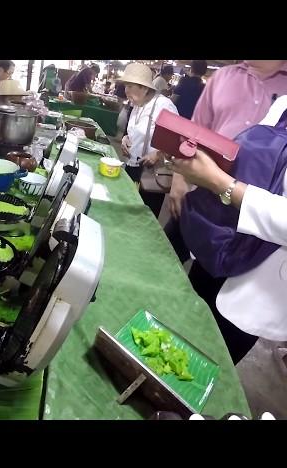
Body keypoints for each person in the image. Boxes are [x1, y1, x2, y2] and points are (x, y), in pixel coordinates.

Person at [169, 97, 287, 364]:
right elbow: (254, 166)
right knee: (173, 332)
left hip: (259, 282)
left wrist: (221, 182)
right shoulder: (282, 105)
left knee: (199, 366)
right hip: (218, 242)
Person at [166, 60, 287, 265]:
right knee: (165, 257)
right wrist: (178, 179)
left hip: (256, 212)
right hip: (201, 192)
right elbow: (194, 130)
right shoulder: (222, 77)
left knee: (213, 286)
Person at [119, 62, 179, 217]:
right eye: (126, 86)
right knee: (126, 213)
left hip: (151, 174)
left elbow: (179, 141)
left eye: (130, 86)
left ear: (144, 88)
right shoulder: (137, 104)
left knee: (144, 215)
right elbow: (135, 131)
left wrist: (158, 154)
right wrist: (126, 138)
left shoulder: (164, 106)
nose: (126, 91)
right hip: (132, 167)